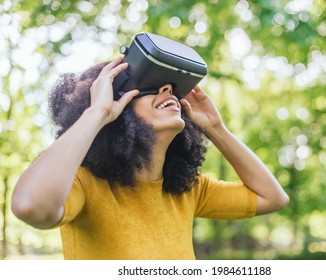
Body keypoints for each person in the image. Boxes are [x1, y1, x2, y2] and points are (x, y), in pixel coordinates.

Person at [11, 57, 289, 260]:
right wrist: (97, 113)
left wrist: (217, 129)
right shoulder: (85, 185)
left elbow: (272, 198)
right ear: (117, 105)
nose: (167, 91)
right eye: (151, 86)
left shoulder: (188, 190)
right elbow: (30, 205)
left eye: (170, 88)